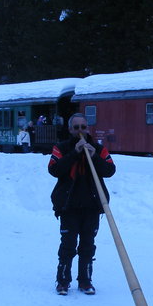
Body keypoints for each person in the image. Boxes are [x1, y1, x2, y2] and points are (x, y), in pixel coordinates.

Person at [48, 113, 116, 296]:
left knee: (88, 245)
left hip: (92, 206)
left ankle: (85, 281)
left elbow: (110, 170)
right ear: (70, 130)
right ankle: (63, 281)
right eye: (76, 128)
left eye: (83, 127)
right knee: (68, 245)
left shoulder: (98, 149)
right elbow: (54, 170)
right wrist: (74, 153)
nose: (80, 131)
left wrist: (94, 157)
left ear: (88, 128)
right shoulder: (61, 148)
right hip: (69, 206)